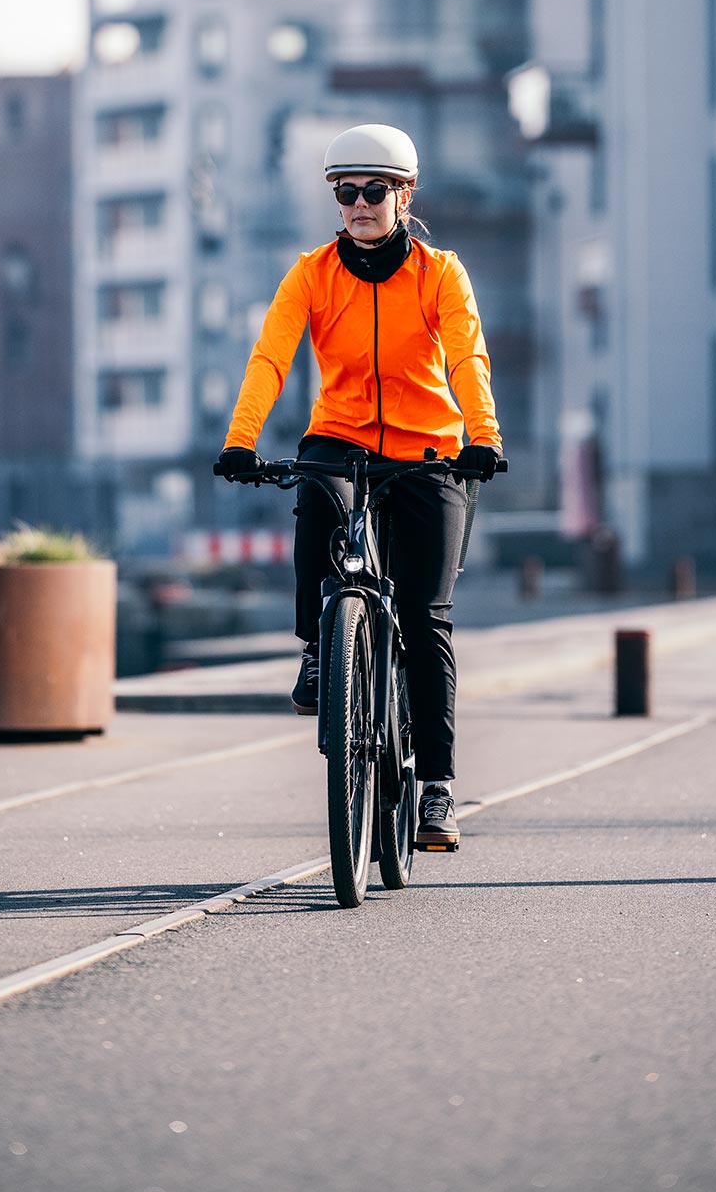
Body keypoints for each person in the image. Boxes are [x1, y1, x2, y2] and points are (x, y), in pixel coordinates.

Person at [215, 123, 503, 853]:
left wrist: (483, 438)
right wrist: (241, 439)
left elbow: (468, 357)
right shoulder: (311, 273)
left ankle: (437, 791)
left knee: (426, 613)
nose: (360, 204)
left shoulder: (441, 274)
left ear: (404, 195)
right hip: (341, 435)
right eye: (346, 192)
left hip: (429, 448)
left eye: (375, 190)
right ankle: (319, 645)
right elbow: (271, 357)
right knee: (315, 491)